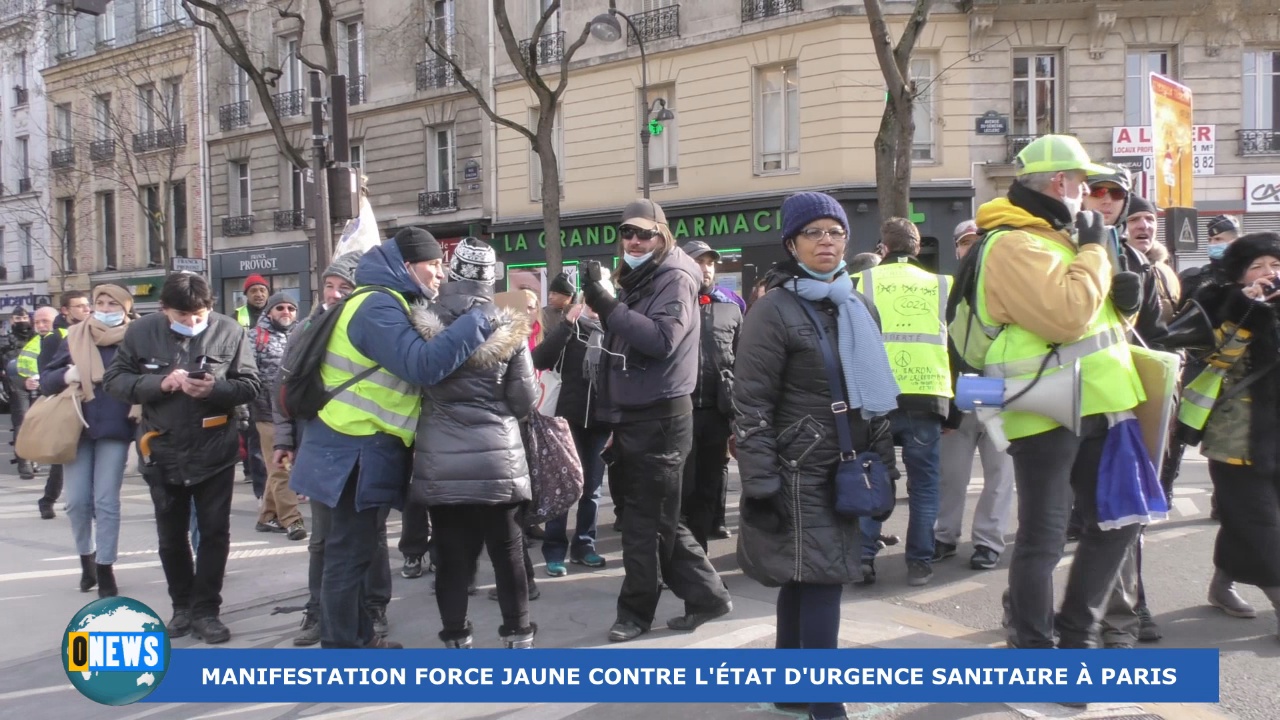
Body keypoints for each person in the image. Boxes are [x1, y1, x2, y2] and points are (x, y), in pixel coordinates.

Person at [973, 134, 1146, 649]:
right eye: (1083, 184)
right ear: (1060, 182)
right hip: (1045, 404)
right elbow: (1067, 316)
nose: (1090, 195)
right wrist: (1095, 249)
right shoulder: (1013, 241)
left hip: (1103, 399)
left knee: (1117, 523)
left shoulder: (1055, 235)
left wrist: (1128, 302)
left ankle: (1078, 635)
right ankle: (1033, 644)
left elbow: (1094, 318)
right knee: (1044, 537)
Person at [734, 191, 900, 720]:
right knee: (822, 578)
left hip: (848, 465)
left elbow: (873, 396)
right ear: (792, 243)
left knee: (806, 578)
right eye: (814, 233)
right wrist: (759, 482)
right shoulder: (773, 310)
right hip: (798, 467)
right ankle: (827, 706)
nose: (826, 241)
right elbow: (751, 402)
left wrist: (883, 460)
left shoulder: (857, 303)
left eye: (835, 232)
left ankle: (791, 690)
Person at [288, 227, 493, 649]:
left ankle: (358, 639)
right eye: (432, 264)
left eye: (441, 264)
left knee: (358, 553)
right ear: (406, 265)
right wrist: (479, 320)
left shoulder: (389, 302)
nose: (440, 274)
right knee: (346, 556)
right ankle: (344, 651)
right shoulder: (376, 305)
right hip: (352, 447)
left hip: (358, 447)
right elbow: (421, 365)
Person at [581, 198, 733, 643]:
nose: (633, 239)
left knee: (646, 524)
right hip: (639, 412)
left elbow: (660, 340)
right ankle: (707, 595)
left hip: (659, 416)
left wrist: (607, 303)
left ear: (662, 235)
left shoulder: (674, 277)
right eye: (626, 231)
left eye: (643, 233)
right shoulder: (648, 274)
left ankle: (635, 613)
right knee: (658, 519)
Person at [103, 272, 261, 644]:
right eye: (183, 316)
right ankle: (182, 607)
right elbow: (115, 382)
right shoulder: (142, 333)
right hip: (162, 451)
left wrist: (215, 388)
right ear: (163, 310)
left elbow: (251, 385)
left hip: (215, 452)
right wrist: (161, 383)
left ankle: (207, 610)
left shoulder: (229, 331)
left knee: (214, 534)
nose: (192, 322)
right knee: (171, 538)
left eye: (199, 314)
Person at [413, 238, 539, 649]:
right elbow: (524, 399)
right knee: (508, 551)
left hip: (441, 459)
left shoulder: (420, 321)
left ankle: (456, 637)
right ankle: (518, 635)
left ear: (452, 271)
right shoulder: (510, 324)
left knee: (450, 555)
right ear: (491, 278)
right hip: (497, 458)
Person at [274, 253, 394, 646]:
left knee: (365, 539)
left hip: (356, 448)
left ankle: (370, 614)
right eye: (329, 285)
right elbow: (284, 387)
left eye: (345, 287)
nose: (334, 294)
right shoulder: (307, 327)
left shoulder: (367, 325)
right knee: (326, 540)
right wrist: (283, 439)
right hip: (321, 446)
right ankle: (323, 617)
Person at [1179, 232, 1280, 635]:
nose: (1268, 273)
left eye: (1274, 264)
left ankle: (1222, 585)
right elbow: (1214, 358)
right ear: (1238, 275)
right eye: (1257, 266)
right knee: (1260, 522)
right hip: (1237, 435)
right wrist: (1247, 309)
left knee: (1247, 519)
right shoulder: (1220, 304)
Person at [858, 217, 951, 587]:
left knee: (871, 479)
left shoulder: (861, 281)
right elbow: (955, 347)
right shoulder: (943, 285)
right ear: (917, 247)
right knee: (924, 486)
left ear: (883, 247)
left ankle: (864, 558)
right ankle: (920, 564)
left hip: (875, 398)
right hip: (927, 396)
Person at [41, 285, 137, 599]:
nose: (105, 308)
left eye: (113, 303)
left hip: (116, 428)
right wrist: (66, 375)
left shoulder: (135, 339)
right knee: (77, 502)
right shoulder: (74, 336)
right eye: (100, 302)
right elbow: (46, 380)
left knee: (106, 501)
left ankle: (106, 567)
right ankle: (87, 559)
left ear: (126, 308)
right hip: (77, 428)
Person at [934, 219, 1015, 572]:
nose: (973, 248)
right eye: (967, 242)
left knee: (1000, 473)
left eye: (979, 241)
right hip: (958, 402)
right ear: (957, 249)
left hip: (999, 400)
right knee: (951, 475)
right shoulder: (946, 291)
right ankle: (944, 536)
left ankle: (987, 541)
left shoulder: (1010, 289)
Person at [533, 300, 610, 576]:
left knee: (592, 489)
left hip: (601, 423)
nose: (596, 308)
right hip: (567, 421)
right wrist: (567, 324)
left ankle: (584, 546)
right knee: (562, 487)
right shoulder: (570, 330)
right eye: (591, 302)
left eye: (601, 301)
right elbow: (540, 359)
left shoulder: (614, 332)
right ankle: (554, 551)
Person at [681, 240, 742, 548]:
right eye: (698, 262)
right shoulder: (672, 306)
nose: (706, 268)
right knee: (682, 491)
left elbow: (741, 361)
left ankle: (699, 560)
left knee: (708, 489)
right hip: (680, 413)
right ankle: (676, 560)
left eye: (710, 263)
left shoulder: (731, 309)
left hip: (716, 415)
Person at [251, 293, 306, 540]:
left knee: (278, 467)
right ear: (269, 312)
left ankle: (267, 516)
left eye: (291, 308)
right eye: (280, 308)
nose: (286, 312)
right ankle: (292, 520)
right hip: (266, 413)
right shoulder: (255, 338)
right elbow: (247, 375)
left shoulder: (301, 336)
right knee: (281, 467)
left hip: (292, 413)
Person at [21, 307, 66, 498]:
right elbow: (19, 367)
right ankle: (49, 499)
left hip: (65, 399)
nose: (40, 325)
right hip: (43, 399)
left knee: (65, 454)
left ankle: (50, 499)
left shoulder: (63, 337)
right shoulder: (33, 342)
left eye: (45, 321)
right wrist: (24, 381)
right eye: (37, 322)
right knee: (61, 454)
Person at [1126, 196, 1181, 325]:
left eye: (1150, 219)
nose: (1144, 226)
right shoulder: (1106, 266)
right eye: (1133, 219)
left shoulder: (1165, 272)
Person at [1179, 215, 1240, 312]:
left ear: (1235, 243)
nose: (1212, 244)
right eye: (1209, 240)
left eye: (1218, 239)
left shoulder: (1247, 277)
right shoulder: (1193, 279)